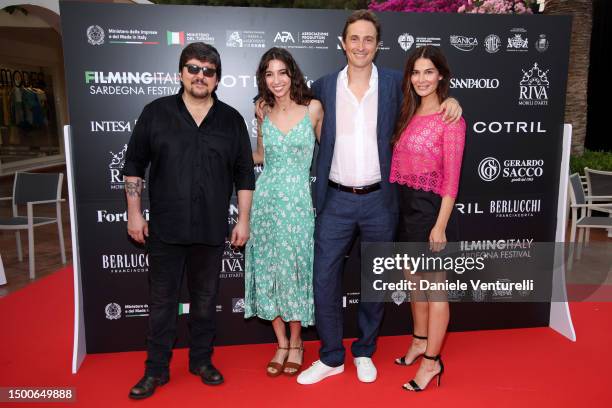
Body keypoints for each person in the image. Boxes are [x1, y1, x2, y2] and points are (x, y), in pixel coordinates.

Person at [293, 10, 462, 385]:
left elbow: (429, 102)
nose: (361, 46)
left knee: (376, 280)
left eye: (368, 39)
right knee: (323, 278)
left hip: (380, 201)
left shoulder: (393, 84)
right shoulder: (322, 86)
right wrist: (262, 106)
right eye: (354, 38)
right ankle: (332, 356)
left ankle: (365, 351)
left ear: (377, 44)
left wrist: (455, 104)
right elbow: (286, 104)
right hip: (335, 199)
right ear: (343, 43)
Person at [122, 42, 255, 399]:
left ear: (217, 78)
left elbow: (245, 174)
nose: (200, 76)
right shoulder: (156, 112)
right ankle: (156, 370)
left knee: (205, 300)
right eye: (194, 68)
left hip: (211, 230)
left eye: (208, 71)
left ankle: (201, 360)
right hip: (165, 228)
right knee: (162, 303)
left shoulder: (231, 120)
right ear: (181, 73)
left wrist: (243, 221)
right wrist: (134, 213)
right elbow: (134, 164)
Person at [389, 45, 466, 392]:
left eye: (428, 72)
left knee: (436, 293)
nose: (421, 79)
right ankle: (419, 341)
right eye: (416, 73)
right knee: (414, 285)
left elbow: (451, 181)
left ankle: (433, 362)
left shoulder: (451, 119)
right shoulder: (408, 113)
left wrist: (440, 225)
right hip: (404, 209)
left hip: (431, 212)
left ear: (441, 76)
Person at [244, 47, 323, 377]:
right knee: (269, 271)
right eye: (269, 74)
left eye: (282, 73)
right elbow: (260, 155)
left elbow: (330, 152)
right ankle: (280, 343)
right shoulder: (261, 110)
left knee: (294, 270)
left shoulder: (313, 109)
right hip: (266, 202)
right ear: (263, 79)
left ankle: (296, 342)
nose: (276, 80)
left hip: (298, 204)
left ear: (292, 74)